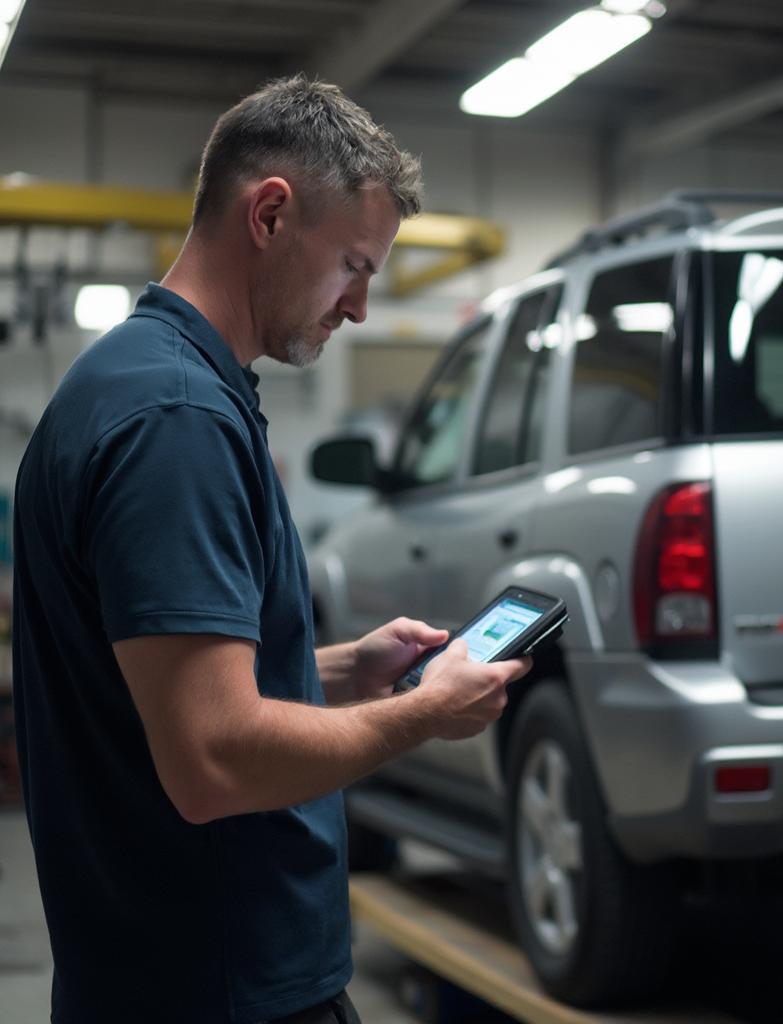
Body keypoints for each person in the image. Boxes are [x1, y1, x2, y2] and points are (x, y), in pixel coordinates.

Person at [12, 75, 530, 1024]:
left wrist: (341, 670)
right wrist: (423, 718)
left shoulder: (144, 381)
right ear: (271, 215)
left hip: (163, 976)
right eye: (354, 266)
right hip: (220, 987)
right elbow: (213, 761)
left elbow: (163, 689)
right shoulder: (175, 420)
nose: (361, 306)